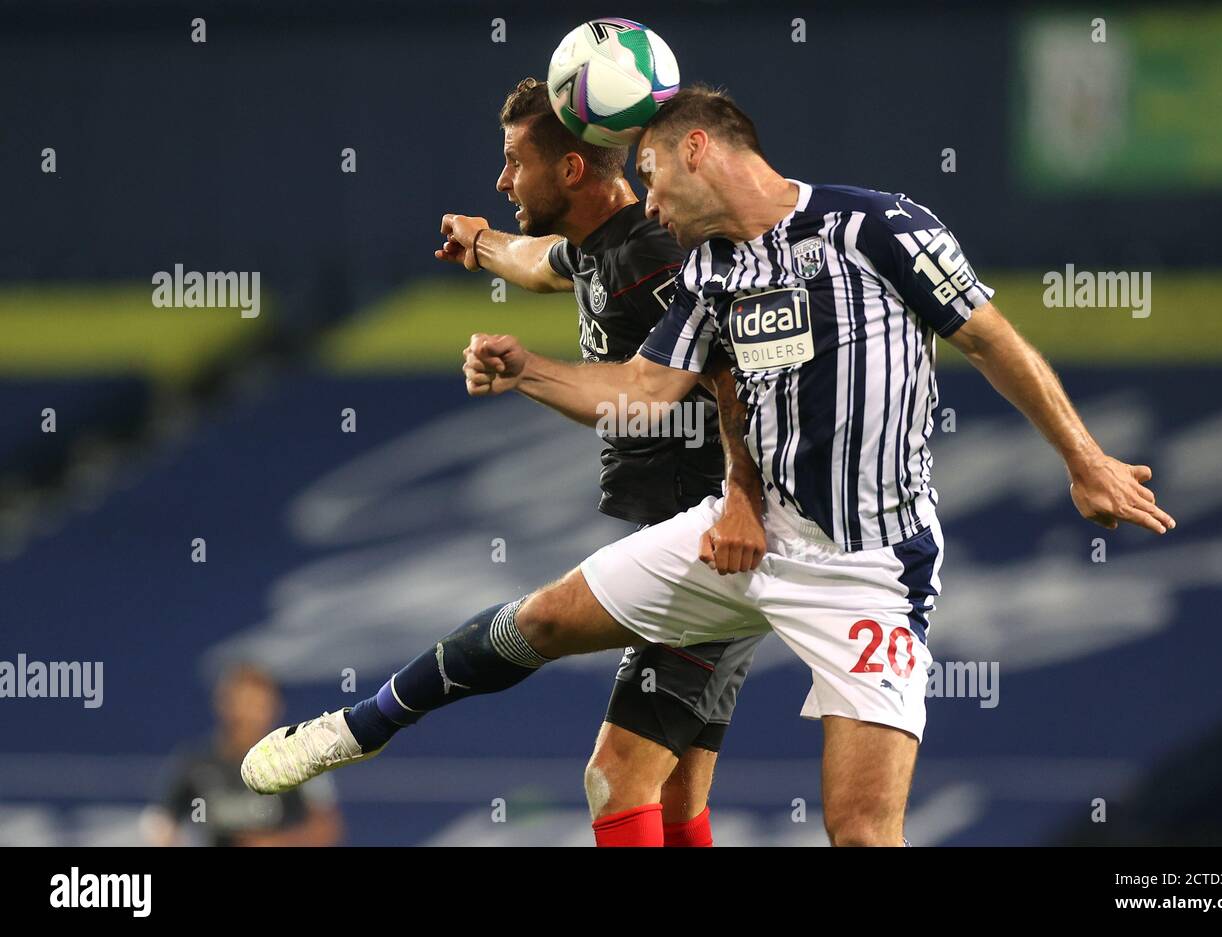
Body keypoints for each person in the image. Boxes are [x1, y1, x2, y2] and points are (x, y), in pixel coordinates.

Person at [242, 86, 1175, 846]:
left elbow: (989, 336)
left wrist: (1084, 460)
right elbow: (649, 387)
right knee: (544, 620)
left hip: (867, 568)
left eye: (648, 174)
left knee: (859, 829)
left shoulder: (877, 227)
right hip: (742, 536)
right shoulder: (711, 270)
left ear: (696, 151)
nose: (645, 199)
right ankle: (363, 726)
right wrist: (528, 368)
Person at [432, 77, 766, 846]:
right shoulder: (600, 250)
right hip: (713, 536)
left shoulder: (648, 254)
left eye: (514, 160)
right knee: (676, 796)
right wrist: (481, 243)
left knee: (614, 775)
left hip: (712, 541)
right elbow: (540, 262)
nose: (502, 178)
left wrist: (741, 498)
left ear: (573, 171)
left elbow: (732, 370)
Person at [145, 663, 342, 846]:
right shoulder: (194, 764)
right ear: (223, 705)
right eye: (243, 703)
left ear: (275, 708)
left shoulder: (300, 758)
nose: (249, 715)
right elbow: (162, 825)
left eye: (258, 706)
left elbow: (325, 829)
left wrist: (276, 844)